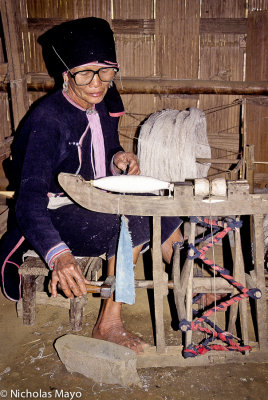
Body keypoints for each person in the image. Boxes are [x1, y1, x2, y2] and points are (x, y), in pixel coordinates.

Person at [0, 17, 183, 354]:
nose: (97, 84)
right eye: (84, 73)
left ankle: (192, 290)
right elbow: (28, 201)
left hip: (94, 200)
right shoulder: (48, 119)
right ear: (65, 75)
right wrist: (59, 255)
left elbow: (104, 150)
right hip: (55, 213)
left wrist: (117, 159)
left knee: (166, 206)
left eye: (106, 72)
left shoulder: (101, 104)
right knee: (133, 224)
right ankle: (108, 323)